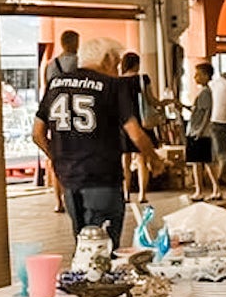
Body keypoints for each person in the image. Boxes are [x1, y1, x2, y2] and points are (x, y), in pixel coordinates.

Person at [32, 37, 162, 246]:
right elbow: (135, 133)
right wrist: (154, 159)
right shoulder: (111, 86)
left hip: (69, 179)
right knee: (104, 247)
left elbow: (37, 134)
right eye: (117, 62)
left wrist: (57, 157)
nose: (118, 68)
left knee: (84, 244)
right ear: (107, 59)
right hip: (102, 177)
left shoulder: (56, 84)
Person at [36, 29, 79, 209]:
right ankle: (73, 195)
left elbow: (46, 90)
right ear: (74, 43)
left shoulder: (50, 65)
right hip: (75, 114)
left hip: (56, 114)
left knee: (56, 160)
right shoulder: (79, 62)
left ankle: (58, 201)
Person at [118, 51, 152, 204]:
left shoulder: (117, 81)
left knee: (125, 160)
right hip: (140, 122)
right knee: (141, 160)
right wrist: (164, 104)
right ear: (137, 64)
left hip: (123, 123)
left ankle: (126, 194)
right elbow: (151, 100)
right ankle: (142, 194)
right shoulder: (142, 79)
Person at [184, 62, 220, 201]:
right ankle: (215, 189)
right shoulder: (204, 92)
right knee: (205, 162)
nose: (195, 77)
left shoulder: (205, 92)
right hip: (198, 130)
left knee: (198, 163)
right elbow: (198, 111)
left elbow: (207, 113)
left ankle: (200, 190)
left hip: (198, 132)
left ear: (206, 76)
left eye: (198, 74)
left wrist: (200, 130)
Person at [208, 68, 226, 189]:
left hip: (210, 122)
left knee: (215, 153)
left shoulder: (212, 84)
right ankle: (219, 178)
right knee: (225, 154)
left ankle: (216, 179)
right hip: (223, 122)